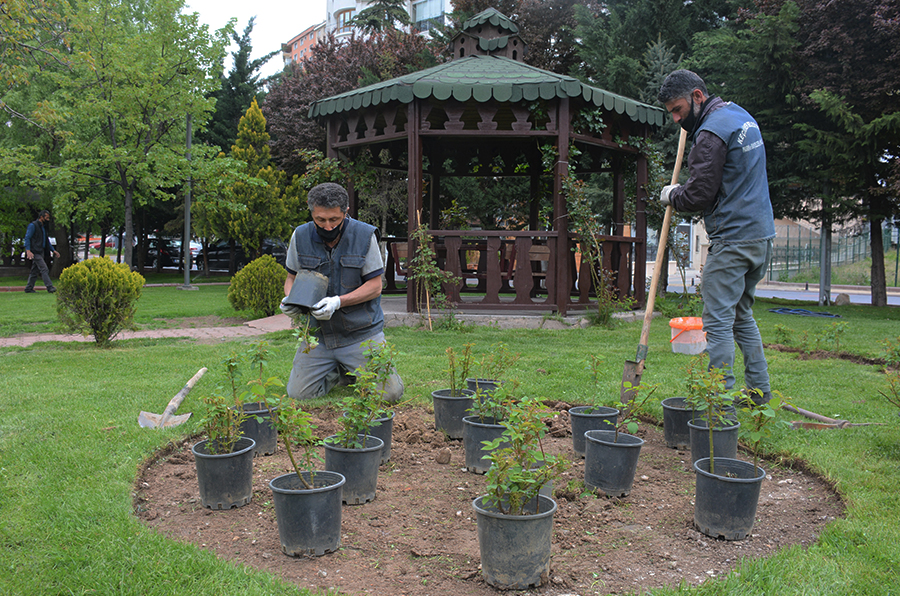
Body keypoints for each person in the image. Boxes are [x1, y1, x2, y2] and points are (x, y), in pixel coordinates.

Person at [657, 69, 775, 405]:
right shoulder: (740, 117)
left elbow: (699, 196)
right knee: (741, 315)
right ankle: (759, 393)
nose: (678, 120)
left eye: (679, 110)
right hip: (761, 237)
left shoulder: (710, 134)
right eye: (672, 114)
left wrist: (672, 195)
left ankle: (719, 402)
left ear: (697, 96)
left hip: (734, 240)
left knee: (718, 321)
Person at [280, 182, 403, 402]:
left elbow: (375, 286)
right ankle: (338, 370)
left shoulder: (365, 236)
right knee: (299, 395)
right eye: (320, 220)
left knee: (389, 394)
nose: (327, 227)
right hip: (319, 337)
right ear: (312, 214)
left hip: (361, 334)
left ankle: (349, 366)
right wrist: (290, 300)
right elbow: (291, 277)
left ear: (346, 213)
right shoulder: (300, 235)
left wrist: (338, 302)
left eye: (334, 220)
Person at [24, 209, 60, 294]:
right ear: (41, 217)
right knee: (44, 269)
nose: (48, 220)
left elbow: (46, 241)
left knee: (34, 271)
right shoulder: (33, 226)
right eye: (46, 218)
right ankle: (50, 287)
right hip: (35, 252)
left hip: (40, 251)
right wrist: (28, 250)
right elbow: (27, 238)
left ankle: (29, 288)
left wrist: (53, 250)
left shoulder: (43, 227)